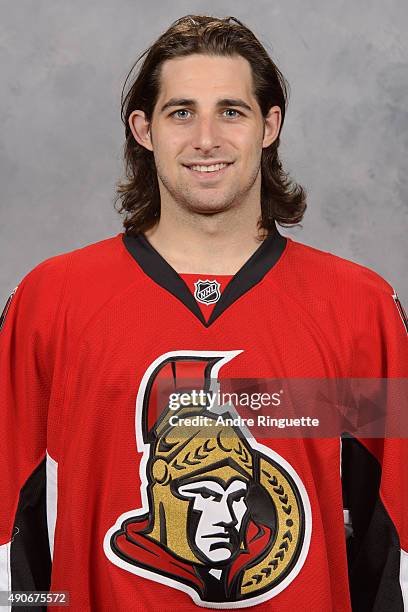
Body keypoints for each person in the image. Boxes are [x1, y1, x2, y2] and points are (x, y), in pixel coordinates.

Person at [0, 13, 407, 612]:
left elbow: (390, 532)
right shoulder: (51, 303)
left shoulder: (359, 310)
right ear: (144, 129)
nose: (206, 139)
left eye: (232, 111)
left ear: (269, 126)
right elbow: (12, 534)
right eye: (181, 112)